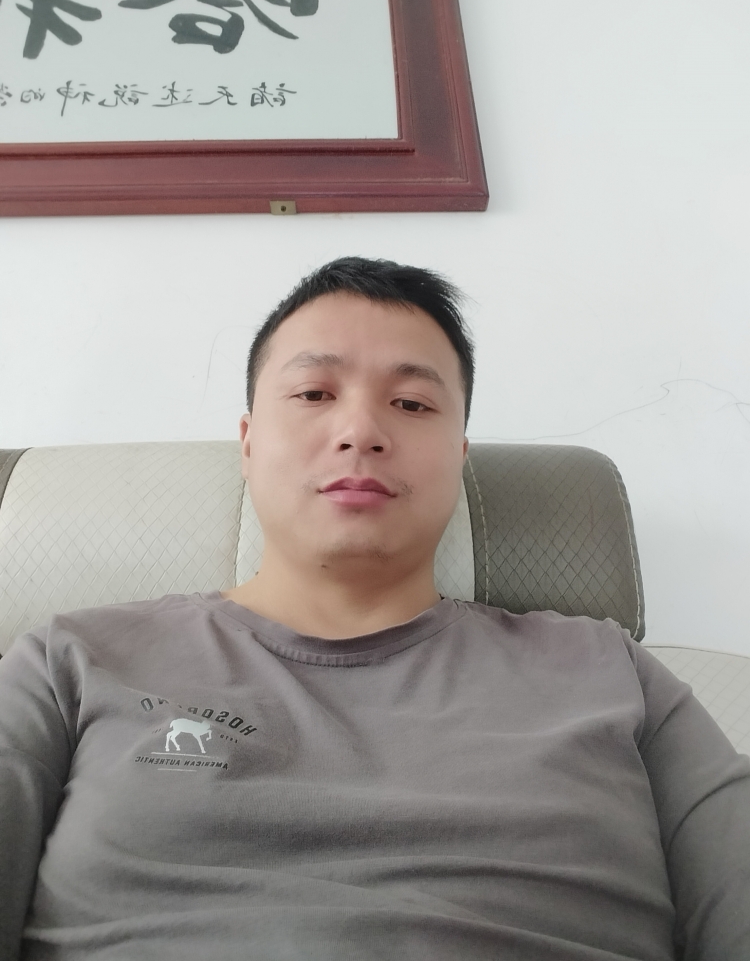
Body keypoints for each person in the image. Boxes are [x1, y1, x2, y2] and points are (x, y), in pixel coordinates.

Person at [0, 256, 748, 961]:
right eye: (313, 394)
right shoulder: (71, 662)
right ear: (248, 443)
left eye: (412, 403)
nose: (360, 431)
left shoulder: (607, 669)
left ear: (459, 454)